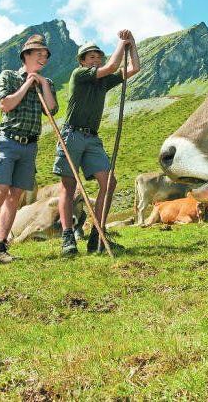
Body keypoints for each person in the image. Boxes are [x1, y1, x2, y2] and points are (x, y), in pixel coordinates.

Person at [0, 34, 58, 267]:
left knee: (15, 198)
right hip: (8, 141)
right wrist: (28, 83)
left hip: (30, 145)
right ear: (26, 55)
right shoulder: (9, 76)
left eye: (46, 55)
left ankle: (0, 247)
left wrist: (42, 84)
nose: (43, 58)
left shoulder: (46, 83)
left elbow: (51, 109)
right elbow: (6, 104)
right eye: (39, 54)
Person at [53, 30, 140, 256]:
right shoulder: (79, 74)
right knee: (69, 186)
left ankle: (97, 237)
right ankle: (67, 237)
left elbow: (134, 69)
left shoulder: (102, 81)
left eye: (98, 56)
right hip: (71, 134)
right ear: (82, 61)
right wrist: (122, 43)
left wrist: (132, 43)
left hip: (92, 137)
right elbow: (112, 67)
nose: (95, 59)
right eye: (90, 57)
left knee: (109, 182)